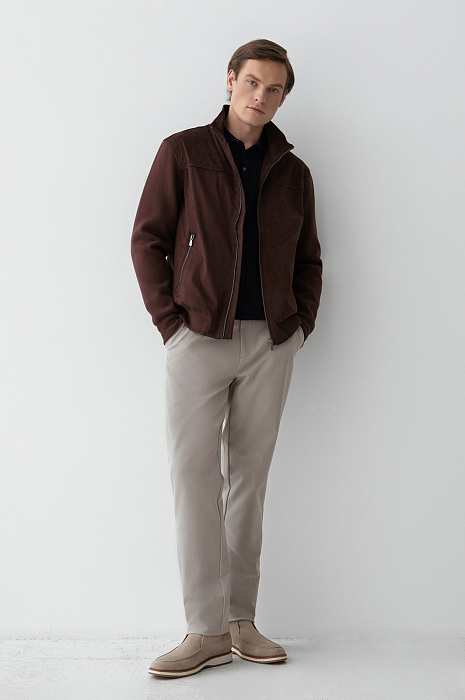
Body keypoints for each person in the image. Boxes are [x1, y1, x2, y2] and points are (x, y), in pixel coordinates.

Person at [131, 38, 323, 679]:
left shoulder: (294, 173)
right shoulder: (184, 152)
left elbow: (309, 260)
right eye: (252, 82)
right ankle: (204, 629)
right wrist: (171, 325)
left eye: (275, 89)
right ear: (231, 81)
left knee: (249, 482)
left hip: (269, 342)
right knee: (193, 480)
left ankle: (241, 621)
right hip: (198, 338)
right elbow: (147, 239)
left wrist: (298, 327)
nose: (260, 96)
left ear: (283, 98)